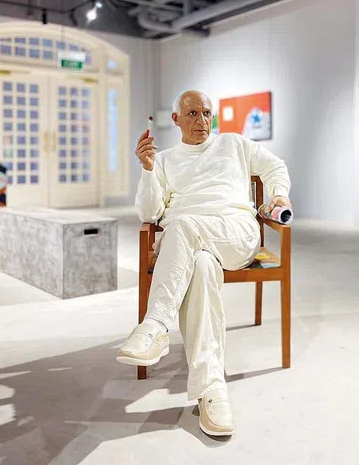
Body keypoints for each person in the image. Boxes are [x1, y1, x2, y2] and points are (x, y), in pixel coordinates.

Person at [116, 90, 292, 437]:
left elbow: (275, 166)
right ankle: (211, 389)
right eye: (193, 113)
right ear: (176, 119)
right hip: (189, 247)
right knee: (201, 267)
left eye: (206, 113)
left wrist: (279, 194)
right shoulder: (163, 160)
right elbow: (150, 214)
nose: (201, 121)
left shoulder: (233, 144)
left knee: (184, 226)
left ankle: (156, 324)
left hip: (234, 233)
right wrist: (148, 171)